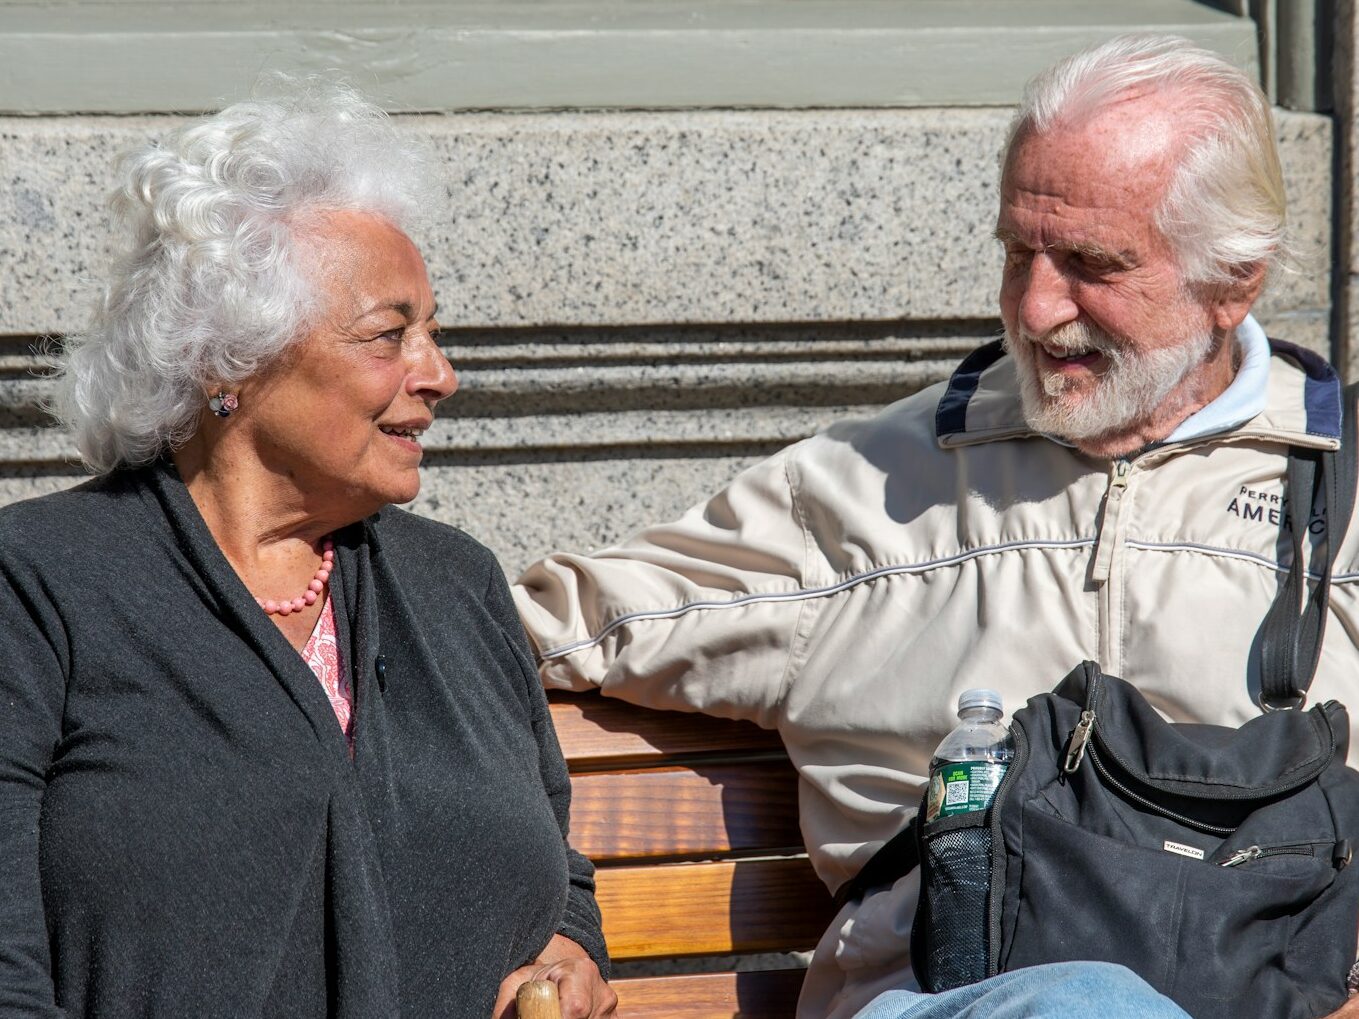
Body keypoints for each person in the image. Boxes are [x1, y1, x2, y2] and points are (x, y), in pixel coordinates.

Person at [513, 34, 1359, 1019]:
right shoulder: (870, 492)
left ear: (1235, 280)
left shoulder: (1345, 508)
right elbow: (517, 635)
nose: (1037, 309)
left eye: (1091, 263)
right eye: (1018, 252)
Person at [0, 79, 615, 1019]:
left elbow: (555, 868)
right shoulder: (38, 583)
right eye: (388, 336)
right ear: (227, 362)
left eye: (433, 333)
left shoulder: (454, 583)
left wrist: (570, 950)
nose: (440, 374)